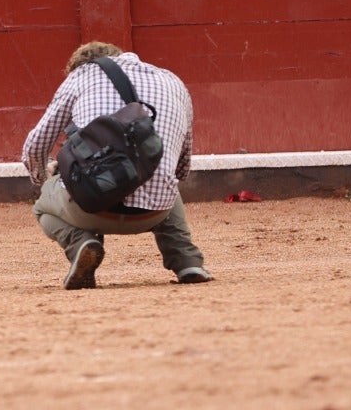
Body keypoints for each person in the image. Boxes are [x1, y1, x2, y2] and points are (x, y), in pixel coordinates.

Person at [22, 41, 212, 289]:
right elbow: (181, 169)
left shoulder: (83, 75)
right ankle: (187, 261)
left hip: (91, 208)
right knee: (164, 178)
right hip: (156, 212)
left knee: (42, 205)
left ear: (81, 66)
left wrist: (46, 177)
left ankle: (80, 243)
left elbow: (35, 147)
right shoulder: (173, 82)